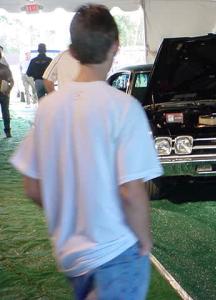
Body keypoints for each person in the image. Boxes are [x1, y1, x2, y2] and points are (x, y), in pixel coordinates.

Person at [10, 4, 163, 299]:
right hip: (116, 254)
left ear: (72, 50)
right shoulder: (124, 108)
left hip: (72, 258)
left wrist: (69, 213)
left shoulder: (48, 108)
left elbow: (31, 187)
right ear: (115, 46)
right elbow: (132, 192)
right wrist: (144, 238)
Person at [0, 54, 14, 138]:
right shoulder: (5, 68)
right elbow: (12, 81)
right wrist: (8, 90)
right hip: (4, 93)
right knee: (5, 112)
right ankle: (8, 132)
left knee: (5, 112)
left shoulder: (5, 68)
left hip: (3, 93)